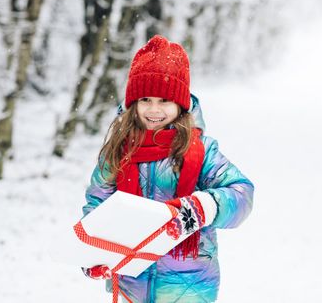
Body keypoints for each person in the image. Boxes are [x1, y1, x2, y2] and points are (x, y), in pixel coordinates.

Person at [80, 35, 254, 303]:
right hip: (130, 281)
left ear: (180, 105)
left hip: (189, 286)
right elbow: (97, 205)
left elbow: (242, 195)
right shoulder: (118, 151)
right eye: (145, 99)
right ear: (132, 104)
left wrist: (202, 207)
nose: (154, 110)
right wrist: (96, 254)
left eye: (164, 100)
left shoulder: (201, 151)